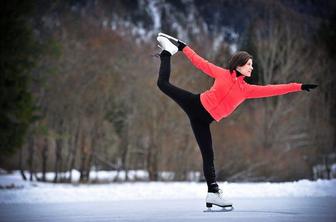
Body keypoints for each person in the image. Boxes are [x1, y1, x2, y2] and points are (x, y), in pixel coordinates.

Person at [155, 33, 317, 208]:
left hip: (203, 121)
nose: (251, 68)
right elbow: (200, 62)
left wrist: (298, 86)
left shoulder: (247, 90)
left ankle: (212, 193)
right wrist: (182, 47)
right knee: (163, 84)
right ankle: (167, 52)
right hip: (195, 104)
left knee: (208, 155)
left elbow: (273, 89)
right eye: (249, 64)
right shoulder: (222, 74)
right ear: (239, 65)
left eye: (252, 65)